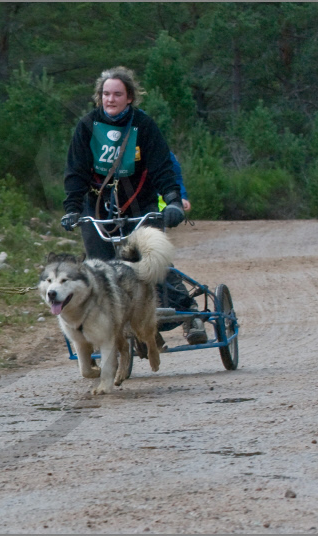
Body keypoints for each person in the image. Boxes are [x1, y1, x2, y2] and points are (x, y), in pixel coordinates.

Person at [60, 66, 206, 345]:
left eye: (117, 94)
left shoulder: (143, 125)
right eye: (105, 94)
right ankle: (120, 328)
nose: (110, 99)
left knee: (151, 260)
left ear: (130, 98)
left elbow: (163, 167)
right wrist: (72, 209)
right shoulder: (87, 126)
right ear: (98, 97)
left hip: (140, 204)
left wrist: (173, 200)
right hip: (98, 206)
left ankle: (190, 314)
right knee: (100, 268)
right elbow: (75, 171)